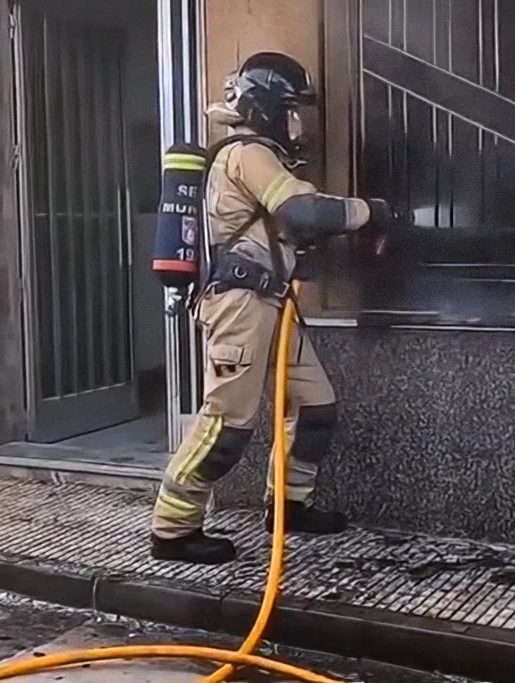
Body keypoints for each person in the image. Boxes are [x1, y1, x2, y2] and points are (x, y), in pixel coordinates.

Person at [150, 51, 395, 565]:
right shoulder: (247, 154)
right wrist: (374, 211)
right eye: (291, 109)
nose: (298, 122)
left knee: (314, 407)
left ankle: (289, 505)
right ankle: (172, 529)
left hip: (272, 303)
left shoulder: (263, 156)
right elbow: (302, 213)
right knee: (227, 424)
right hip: (240, 305)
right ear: (266, 107)